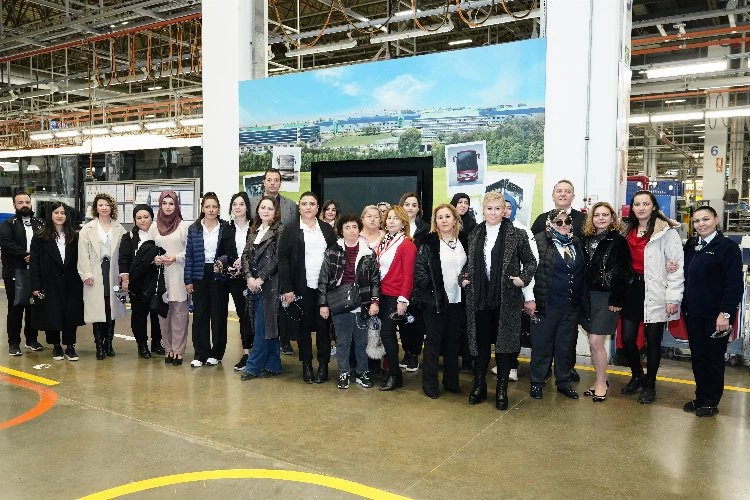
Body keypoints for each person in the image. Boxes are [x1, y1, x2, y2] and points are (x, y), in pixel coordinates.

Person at [463, 193, 536, 410]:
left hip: (507, 299)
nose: (493, 213)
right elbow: (469, 264)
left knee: (504, 346)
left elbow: (530, 262)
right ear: (483, 210)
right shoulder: (474, 234)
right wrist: (463, 278)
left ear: (504, 210)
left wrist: (523, 279)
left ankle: (501, 389)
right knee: (481, 344)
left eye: (497, 208)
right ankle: (479, 385)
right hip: (479, 299)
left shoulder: (518, 234)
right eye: (489, 208)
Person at [620, 191, 684, 404]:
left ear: (654, 206)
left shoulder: (667, 232)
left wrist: (673, 298)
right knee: (627, 338)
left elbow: (677, 267)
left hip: (656, 289)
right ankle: (637, 374)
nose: (641, 208)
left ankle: (650, 384)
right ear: (632, 208)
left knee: (653, 341)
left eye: (645, 204)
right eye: (637, 204)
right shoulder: (626, 229)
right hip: (632, 289)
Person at [682, 206, 743, 417]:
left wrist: (725, 314)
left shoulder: (727, 247)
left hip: (716, 315)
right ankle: (700, 396)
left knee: (714, 358)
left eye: (706, 219)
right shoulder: (691, 245)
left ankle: (711, 401)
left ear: (716, 220)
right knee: (698, 357)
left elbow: (734, 284)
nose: (701, 224)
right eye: (697, 221)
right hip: (693, 312)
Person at [530, 179, 586, 382]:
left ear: (573, 196)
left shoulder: (583, 220)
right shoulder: (541, 219)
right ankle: (541, 374)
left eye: (567, 191)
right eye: (559, 191)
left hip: (571, 296)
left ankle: (566, 371)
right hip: (548, 295)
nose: (563, 194)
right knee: (544, 339)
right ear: (553, 195)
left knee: (567, 339)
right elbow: (531, 255)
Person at [278, 191, 337, 383]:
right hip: (301, 287)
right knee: (303, 329)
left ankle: (323, 366)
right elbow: (283, 260)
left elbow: (335, 257)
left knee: (323, 328)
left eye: (312, 204)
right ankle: (307, 366)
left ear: (318, 207)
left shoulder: (326, 229)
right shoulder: (290, 229)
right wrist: (287, 288)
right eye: (304, 204)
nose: (308, 207)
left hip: (324, 289)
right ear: (299, 207)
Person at [318, 214, 380, 390]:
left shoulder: (369, 253)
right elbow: (323, 279)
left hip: (363, 303)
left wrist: (374, 302)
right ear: (341, 231)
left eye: (354, 227)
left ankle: (362, 373)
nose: (351, 231)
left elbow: (375, 280)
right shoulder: (332, 251)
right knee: (343, 342)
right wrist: (323, 304)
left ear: (359, 229)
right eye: (347, 227)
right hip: (339, 303)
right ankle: (343, 373)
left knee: (361, 342)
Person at [414, 204, 467, 398]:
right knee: (433, 343)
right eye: (440, 217)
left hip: (458, 300)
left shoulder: (464, 240)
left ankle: (451, 382)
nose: (444, 220)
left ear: (455, 219)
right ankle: (430, 385)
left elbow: (468, 266)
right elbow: (420, 273)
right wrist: (431, 294)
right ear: (435, 222)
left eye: (447, 216)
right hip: (435, 301)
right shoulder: (428, 242)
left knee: (453, 342)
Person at [581, 202, 631, 402]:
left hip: (606, 296)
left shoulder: (618, 241)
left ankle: (601, 383)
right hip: (587, 296)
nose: (601, 218)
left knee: (595, 341)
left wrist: (617, 297)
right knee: (593, 342)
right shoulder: (585, 239)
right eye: (597, 215)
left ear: (612, 218)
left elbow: (624, 271)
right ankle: (599, 380)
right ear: (591, 218)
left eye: (605, 215)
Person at [491, 194, 538, 382]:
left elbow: (531, 264)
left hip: (515, 293)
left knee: (512, 332)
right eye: (501, 207)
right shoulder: (490, 231)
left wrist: (529, 296)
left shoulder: (522, 232)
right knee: (499, 331)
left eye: (508, 207)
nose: (504, 211)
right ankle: (503, 363)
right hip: (495, 294)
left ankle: (512, 366)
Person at [29, 202, 84, 361]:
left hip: (71, 282)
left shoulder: (75, 236)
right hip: (49, 282)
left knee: (70, 315)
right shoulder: (40, 237)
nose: (60, 216)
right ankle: (56, 346)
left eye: (63, 213)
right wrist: (36, 285)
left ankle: (70, 346)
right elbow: (34, 263)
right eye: (56, 213)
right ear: (50, 215)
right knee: (51, 314)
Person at [250, 168, 297, 355]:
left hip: (283, 263)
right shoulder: (253, 203)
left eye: (276, 180)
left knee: (283, 306)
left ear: (280, 183)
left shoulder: (290, 205)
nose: (272, 183)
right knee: (261, 312)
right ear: (263, 182)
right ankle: (261, 346)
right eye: (269, 180)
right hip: (259, 268)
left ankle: (284, 341)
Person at [78, 193, 127, 360]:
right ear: (96, 208)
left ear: (112, 207)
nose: (104, 208)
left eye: (107, 205)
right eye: (100, 205)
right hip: (95, 273)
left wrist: (123, 274)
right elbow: (83, 254)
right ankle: (99, 346)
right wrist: (86, 273)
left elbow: (124, 254)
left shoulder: (120, 228)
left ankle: (109, 344)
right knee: (97, 310)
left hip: (113, 273)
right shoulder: (87, 229)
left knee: (110, 308)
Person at [240, 196, 284, 380]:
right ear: (258, 210)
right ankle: (273, 365)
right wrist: (249, 277)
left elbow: (277, 258)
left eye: (270, 208)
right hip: (253, 285)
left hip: (270, 285)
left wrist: (260, 279)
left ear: (275, 212)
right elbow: (245, 255)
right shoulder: (253, 230)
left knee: (262, 327)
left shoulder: (280, 230)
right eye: (263, 207)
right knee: (267, 326)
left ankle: (253, 367)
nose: (266, 211)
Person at [184, 192, 229, 367]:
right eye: (208, 206)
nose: (211, 210)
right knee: (200, 315)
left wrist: (223, 261)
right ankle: (200, 353)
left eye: (214, 207)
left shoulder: (225, 227)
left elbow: (229, 252)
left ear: (219, 209)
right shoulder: (194, 228)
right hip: (199, 274)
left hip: (219, 274)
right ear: (202, 208)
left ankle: (216, 353)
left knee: (218, 315)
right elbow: (189, 256)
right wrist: (188, 280)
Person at [375, 205, 417, 391]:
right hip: (382, 294)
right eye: (389, 217)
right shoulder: (385, 240)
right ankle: (393, 373)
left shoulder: (407, 244)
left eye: (396, 218)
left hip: (395, 296)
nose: (391, 221)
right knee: (387, 335)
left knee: (387, 335)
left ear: (403, 223)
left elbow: (409, 276)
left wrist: (403, 300)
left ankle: (395, 375)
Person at [0, 191, 44, 356]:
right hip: (14, 272)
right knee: (15, 308)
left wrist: (35, 258)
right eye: (20, 202)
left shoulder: (40, 223)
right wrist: (26, 255)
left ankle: (31, 340)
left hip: (35, 273)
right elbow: (6, 243)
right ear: (14, 205)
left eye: (27, 202)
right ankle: (13, 343)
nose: (24, 205)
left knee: (33, 307)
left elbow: (46, 243)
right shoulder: (7, 224)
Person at [150, 190, 190, 366]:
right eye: (164, 203)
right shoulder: (154, 227)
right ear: (160, 205)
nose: (168, 207)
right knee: (164, 316)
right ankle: (168, 348)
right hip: (161, 277)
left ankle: (178, 350)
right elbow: (148, 249)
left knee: (180, 315)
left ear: (176, 205)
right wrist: (155, 258)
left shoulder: (183, 226)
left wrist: (175, 257)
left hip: (179, 274)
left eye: (171, 203)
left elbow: (189, 251)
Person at [119, 204, 164, 359]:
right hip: (137, 281)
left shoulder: (160, 234)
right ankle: (142, 345)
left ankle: (157, 343)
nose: (143, 220)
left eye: (146, 217)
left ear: (152, 218)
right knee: (139, 314)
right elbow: (124, 260)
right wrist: (125, 279)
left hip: (156, 280)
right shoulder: (129, 237)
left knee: (156, 313)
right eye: (139, 218)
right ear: (134, 220)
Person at [217, 192, 253, 371]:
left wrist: (245, 262)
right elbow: (221, 253)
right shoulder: (226, 228)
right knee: (243, 316)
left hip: (254, 278)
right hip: (235, 279)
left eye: (241, 204)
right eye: (234, 204)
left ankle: (259, 353)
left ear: (247, 207)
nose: (238, 207)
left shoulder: (255, 227)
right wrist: (230, 264)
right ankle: (247, 354)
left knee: (255, 317)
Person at [398, 191, 428, 371]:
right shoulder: (395, 226)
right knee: (402, 319)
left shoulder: (426, 229)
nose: (410, 208)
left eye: (414, 205)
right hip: (399, 281)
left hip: (418, 283)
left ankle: (414, 354)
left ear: (419, 209)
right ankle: (407, 352)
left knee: (416, 320)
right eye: (407, 204)